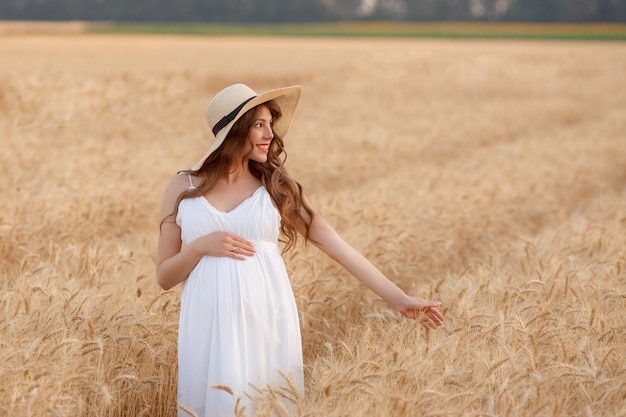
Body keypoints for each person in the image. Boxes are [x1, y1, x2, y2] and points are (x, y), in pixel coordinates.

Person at [156, 84, 445, 417]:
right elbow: (164, 276)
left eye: (270, 124)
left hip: (265, 321)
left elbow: (335, 245)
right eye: (259, 125)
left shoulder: (276, 187)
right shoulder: (182, 187)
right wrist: (199, 249)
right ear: (235, 132)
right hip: (206, 326)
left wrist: (400, 299)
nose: (270, 135)